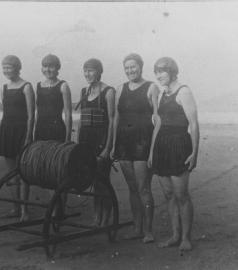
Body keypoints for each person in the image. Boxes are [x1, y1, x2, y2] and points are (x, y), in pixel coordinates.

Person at [148, 57, 199, 251]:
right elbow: (158, 125)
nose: (159, 75)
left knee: (181, 195)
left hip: (179, 146)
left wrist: (195, 153)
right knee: (168, 194)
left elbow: (193, 124)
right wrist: (152, 152)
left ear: (172, 71)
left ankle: (186, 238)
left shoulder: (183, 91)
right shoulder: (161, 94)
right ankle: (175, 235)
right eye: (156, 72)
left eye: (162, 71)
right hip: (161, 146)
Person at [110, 53, 160, 243]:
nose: (131, 70)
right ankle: (137, 228)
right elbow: (116, 119)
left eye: (134, 67)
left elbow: (158, 120)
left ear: (141, 66)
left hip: (143, 143)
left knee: (143, 188)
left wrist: (154, 149)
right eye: (127, 68)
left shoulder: (151, 87)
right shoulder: (120, 88)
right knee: (132, 189)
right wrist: (114, 144)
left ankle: (148, 231)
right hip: (124, 143)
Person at [77, 58, 115, 227]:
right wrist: (78, 142)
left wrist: (108, 147)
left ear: (99, 71)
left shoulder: (108, 91)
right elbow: (81, 120)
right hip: (86, 142)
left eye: (91, 70)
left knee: (103, 182)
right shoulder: (84, 91)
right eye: (85, 70)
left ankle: (106, 217)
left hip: (101, 142)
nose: (88, 74)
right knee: (93, 180)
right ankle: (96, 215)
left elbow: (113, 121)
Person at [0, 55, 35, 221]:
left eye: (9, 67)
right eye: (4, 67)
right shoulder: (3, 88)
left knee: (23, 172)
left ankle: (24, 211)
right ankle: (15, 207)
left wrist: (28, 136)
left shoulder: (27, 87)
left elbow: (31, 115)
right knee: (11, 173)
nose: (6, 70)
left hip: (21, 133)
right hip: (7, 131)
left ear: (18, 68)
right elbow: (6, 113)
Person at [34, 54, 72, 142]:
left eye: (51, 67)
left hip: (57, 129)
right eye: (45, 66)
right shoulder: (38, 86)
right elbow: (37, 112)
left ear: (57, 68)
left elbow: (68, 114)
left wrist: (68, 139)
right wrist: (34, 131)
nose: (47, 70)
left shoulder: (63, 86)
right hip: (40, 129)